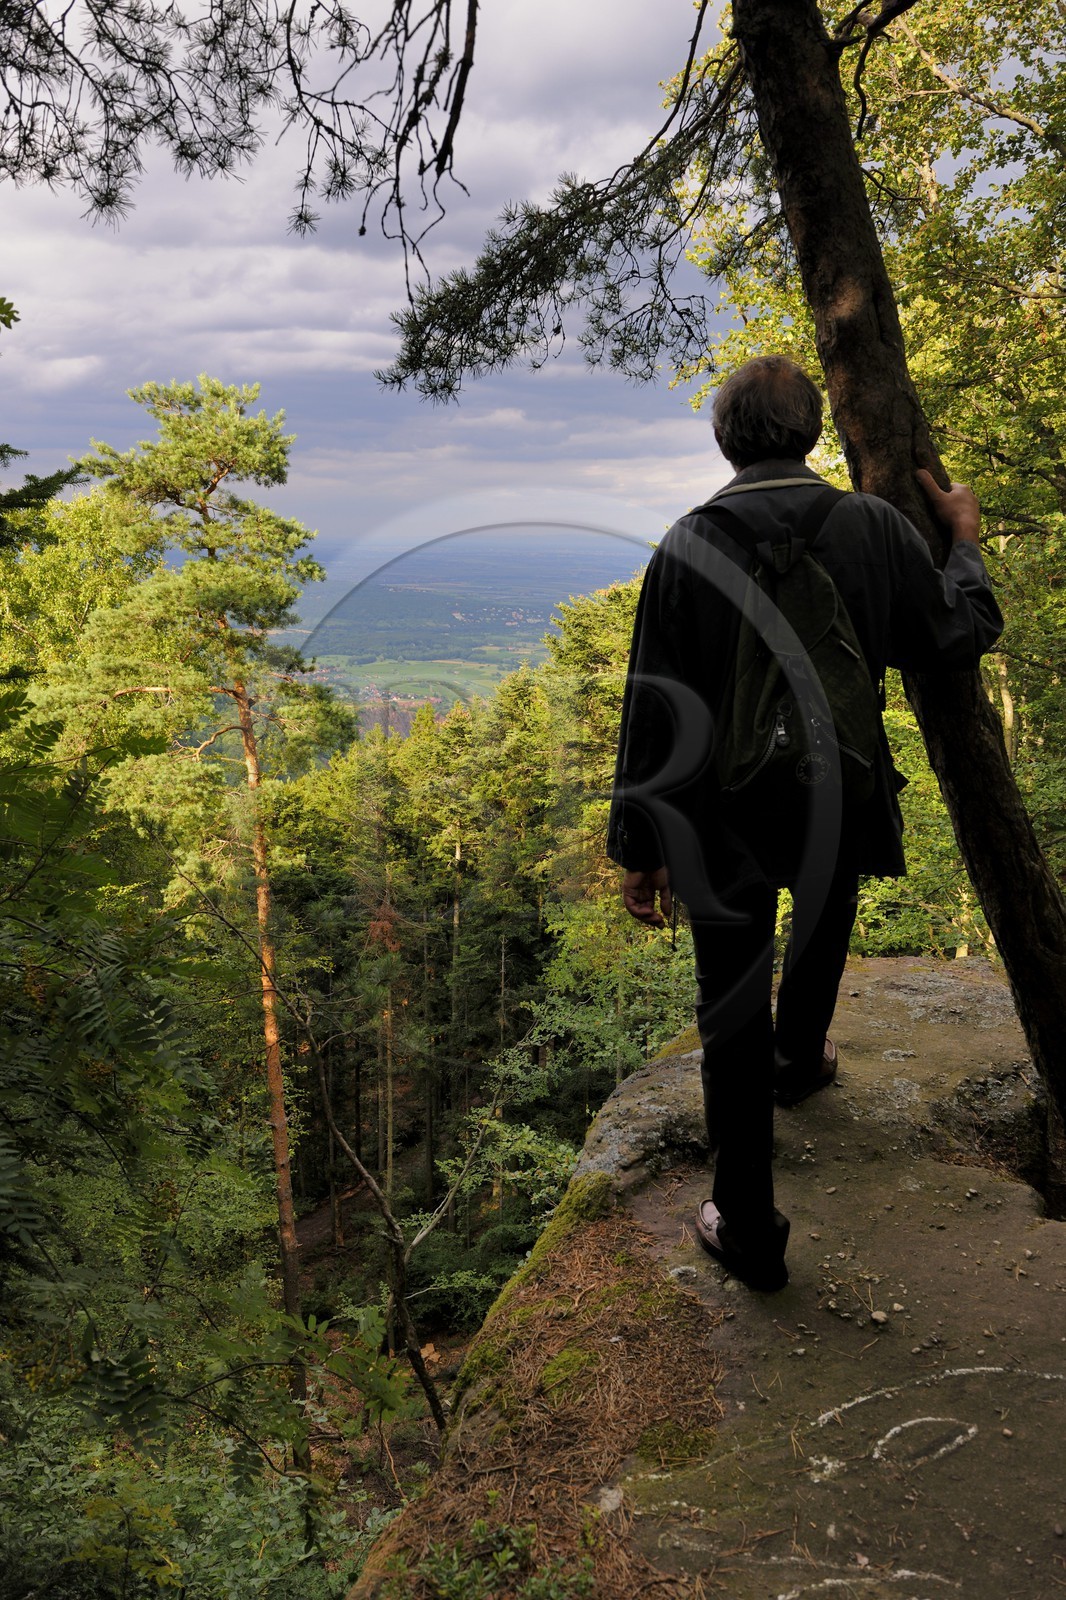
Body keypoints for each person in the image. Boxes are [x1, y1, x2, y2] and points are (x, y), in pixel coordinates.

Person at [607, 356, 1003, 1291]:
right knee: (824, 915)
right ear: (812, 432)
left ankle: (747, 1223)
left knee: (729, 1006)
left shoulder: (689, 543)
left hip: (719, 813)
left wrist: (641, 848)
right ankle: (799, 1058)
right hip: (841, 788)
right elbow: (961, 632)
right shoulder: (869, 526)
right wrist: (963, 537)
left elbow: (654, 705)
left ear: (723, 440)